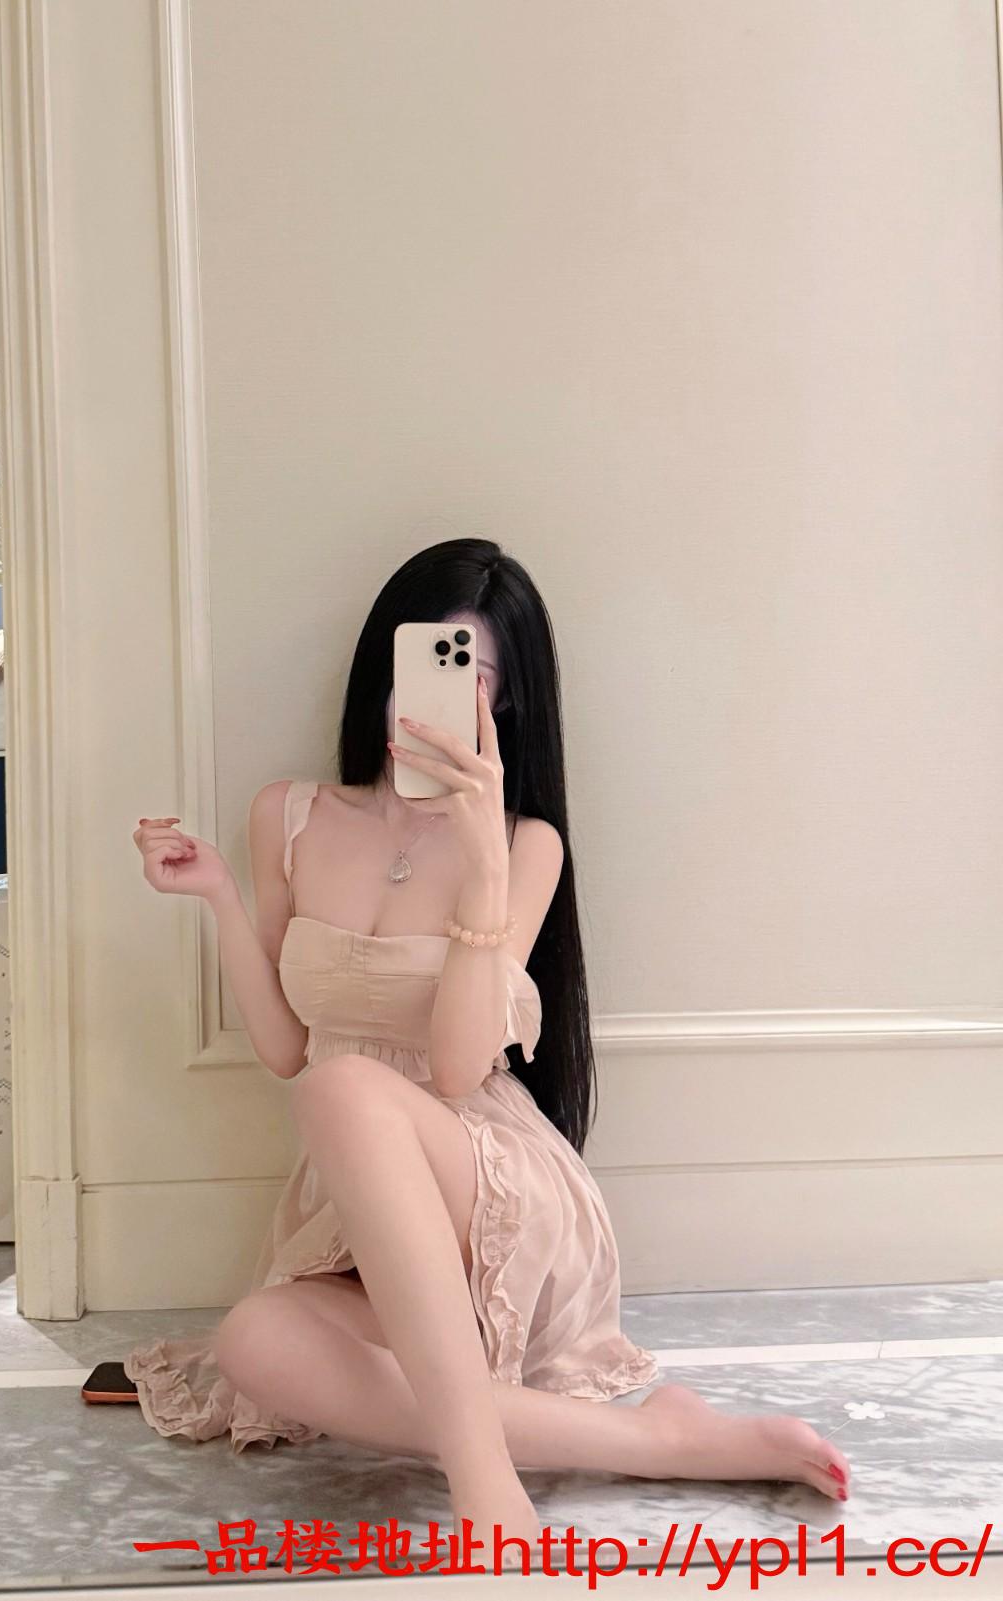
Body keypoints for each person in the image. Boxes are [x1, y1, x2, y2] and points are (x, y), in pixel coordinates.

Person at [123, 537, 851, 1556]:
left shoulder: (522, 843)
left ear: (503, 698)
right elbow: (287, 1048)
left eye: (471, 669)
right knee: (255, 1339)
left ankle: (484, 1485)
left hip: (489, 1178)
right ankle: (657, 1439)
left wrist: (478, 857)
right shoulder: (287, 816)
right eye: (423, 655)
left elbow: (461, 1067)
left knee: (343, 1088)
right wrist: (216, 897)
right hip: (362, 1205)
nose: (432, 691)